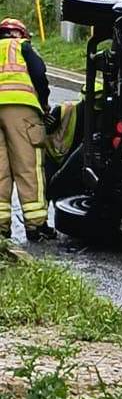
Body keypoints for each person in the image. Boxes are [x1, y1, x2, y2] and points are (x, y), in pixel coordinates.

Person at [0, 18, 55, 242]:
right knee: (28, 167)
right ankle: (36, 225)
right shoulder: (21, 46)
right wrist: (43, 104)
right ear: (20, 34)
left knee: (1, 171)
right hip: (21, 110)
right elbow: (39, 73)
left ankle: (2, 228)